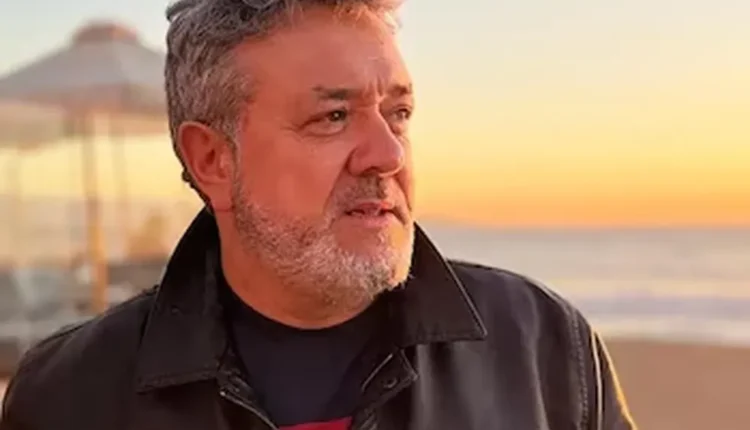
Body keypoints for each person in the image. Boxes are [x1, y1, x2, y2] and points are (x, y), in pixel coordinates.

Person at [0, 0, 636, 429]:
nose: (387, 153)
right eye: (332, 117)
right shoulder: (69, 396)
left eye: (398, 114)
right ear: (213, 160)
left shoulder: (542, 348)